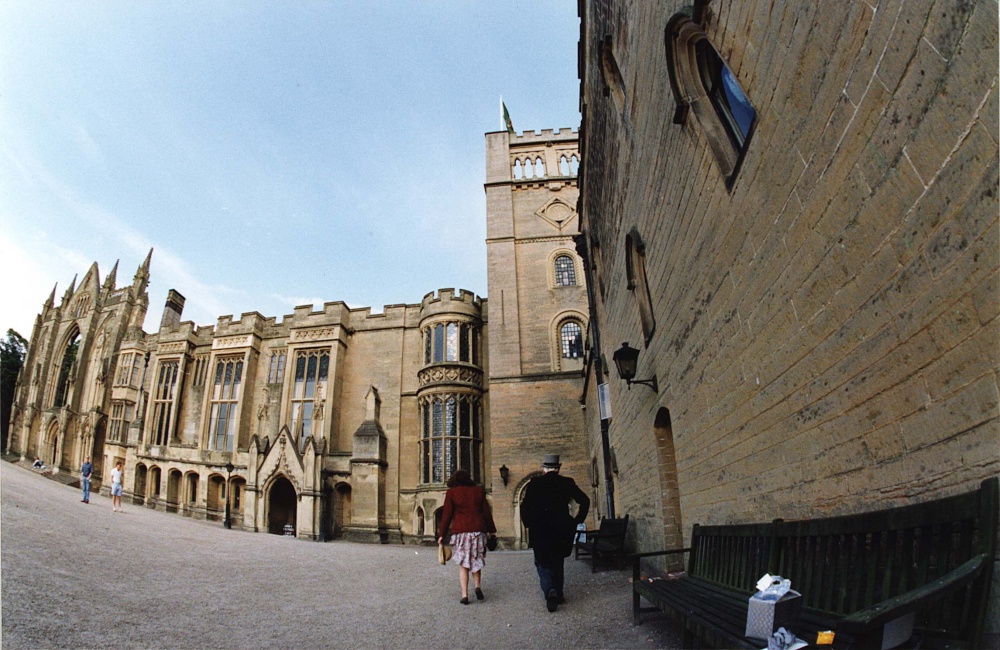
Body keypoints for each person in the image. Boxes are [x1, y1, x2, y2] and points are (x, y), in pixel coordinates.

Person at [520, 453, 590, 612]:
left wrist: (529, 523)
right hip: (561, 528)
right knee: (558, 561)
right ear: (558, 469)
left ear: (544, 469)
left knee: (542, 561)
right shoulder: (567, 483)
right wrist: (577, 520)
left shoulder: (535, 483)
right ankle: (558, 592)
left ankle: (549, 588)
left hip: (540, 529)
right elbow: (585, 501)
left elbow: (525, 507)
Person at [437, 469, 497, 605]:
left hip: (461, 532)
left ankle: (464, 595)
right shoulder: (478, 491)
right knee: (476, 560)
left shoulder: (452, 492)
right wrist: (492, 531)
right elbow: (486, 513)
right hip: (478, 531)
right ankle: (477, 586)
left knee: (463, 564)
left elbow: (447, 515)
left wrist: (442, 535)